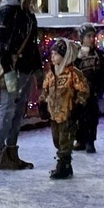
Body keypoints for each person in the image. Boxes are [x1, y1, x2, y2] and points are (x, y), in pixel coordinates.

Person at [0, 0, 44, 171]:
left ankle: (11, 150)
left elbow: (32, 45)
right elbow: (2, 43)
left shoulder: (28, 14)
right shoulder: (10, 12)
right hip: (12, 70)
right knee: (8, 109)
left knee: (18, 111)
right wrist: (8, 70)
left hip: (25, 70)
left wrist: (37, 70)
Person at [40, 39, 91, 180]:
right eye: (52, 54)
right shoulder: (51, 74)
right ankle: (64, 162)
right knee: (57, 139)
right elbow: (45, 89)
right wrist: (42, 104)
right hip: (54, 114)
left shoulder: (73, 73)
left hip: (68, 113)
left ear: (65, 56)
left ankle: (64, 165)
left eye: (56, 54)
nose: (53, 57)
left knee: (65, 140)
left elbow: (83, 90)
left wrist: (79, 106)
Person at [71, 24, 104, 153]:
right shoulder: (76, 55)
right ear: (82, 38)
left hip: (93, 90)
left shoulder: (99, 55)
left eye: (93, 36)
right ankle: (80, 139)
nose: (91, 39)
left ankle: (90, 140)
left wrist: (103, 84)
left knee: (92, 116)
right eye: (88, 36)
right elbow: (71, 69)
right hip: (78, 92)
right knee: (77, 115)